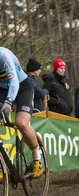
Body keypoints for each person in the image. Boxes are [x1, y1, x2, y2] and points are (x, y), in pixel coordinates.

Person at [0, 47, 43, 179]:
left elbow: (14, 81)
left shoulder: (4, 56)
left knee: (21, 123)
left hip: (21, 86)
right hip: (1, 90)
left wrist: (9, 101)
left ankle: (37, 160)